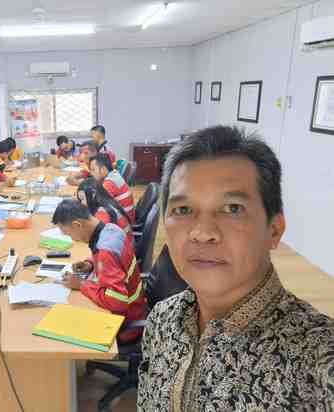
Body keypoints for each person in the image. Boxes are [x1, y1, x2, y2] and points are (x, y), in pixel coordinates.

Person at [137, 125, 334, 411]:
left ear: (274, 229)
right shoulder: (161, 320)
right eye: (183, 210)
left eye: (232, 208)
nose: (202, 233)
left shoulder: (319, 363)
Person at [52, 199, 146, 342]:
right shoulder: (111, 229)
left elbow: (117, 302)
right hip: (137, 308)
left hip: (125, 323)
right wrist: (90, 263)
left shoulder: (105, 252)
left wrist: (81, 284)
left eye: (69, 234)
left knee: (63, 326)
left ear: (77, 225)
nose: (73, 239)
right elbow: (116, 262)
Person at [89, 153, 135, 224]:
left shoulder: (110, 182)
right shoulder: (113, 174)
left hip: (124, 222)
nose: (91, 173)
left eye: (93, 170)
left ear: (103, 169)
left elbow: (94, 204)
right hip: (123, 217)